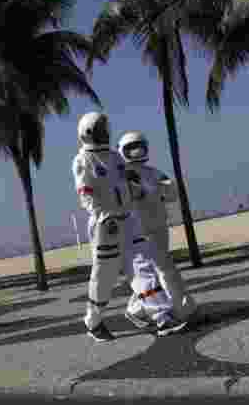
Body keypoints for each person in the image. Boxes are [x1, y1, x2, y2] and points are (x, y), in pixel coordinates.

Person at [73, 112, 189, 342]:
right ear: (88, 133)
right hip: (105, 224)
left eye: (104, 128)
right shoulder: (83, 161)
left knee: (142, 267)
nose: (104, 132)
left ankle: (162, 316)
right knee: (104, 277)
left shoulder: (115, 157)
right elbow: (86, 195)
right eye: (100, 129)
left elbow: (129, 182)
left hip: (128, 219)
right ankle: (93, 321)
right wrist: (103, 217)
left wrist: (143, 190)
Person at [118, 130, 197, 326]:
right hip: (140, 230)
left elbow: (170, 193)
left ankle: (137, 309)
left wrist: (160, 189)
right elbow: (131, 194)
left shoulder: (153, 172)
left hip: (159, 226)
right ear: (122, 151)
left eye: (139, 147)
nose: (136, 152)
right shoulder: (124, 176)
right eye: (131, 148)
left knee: (156, 272)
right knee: (164, 269)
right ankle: (183, 309)